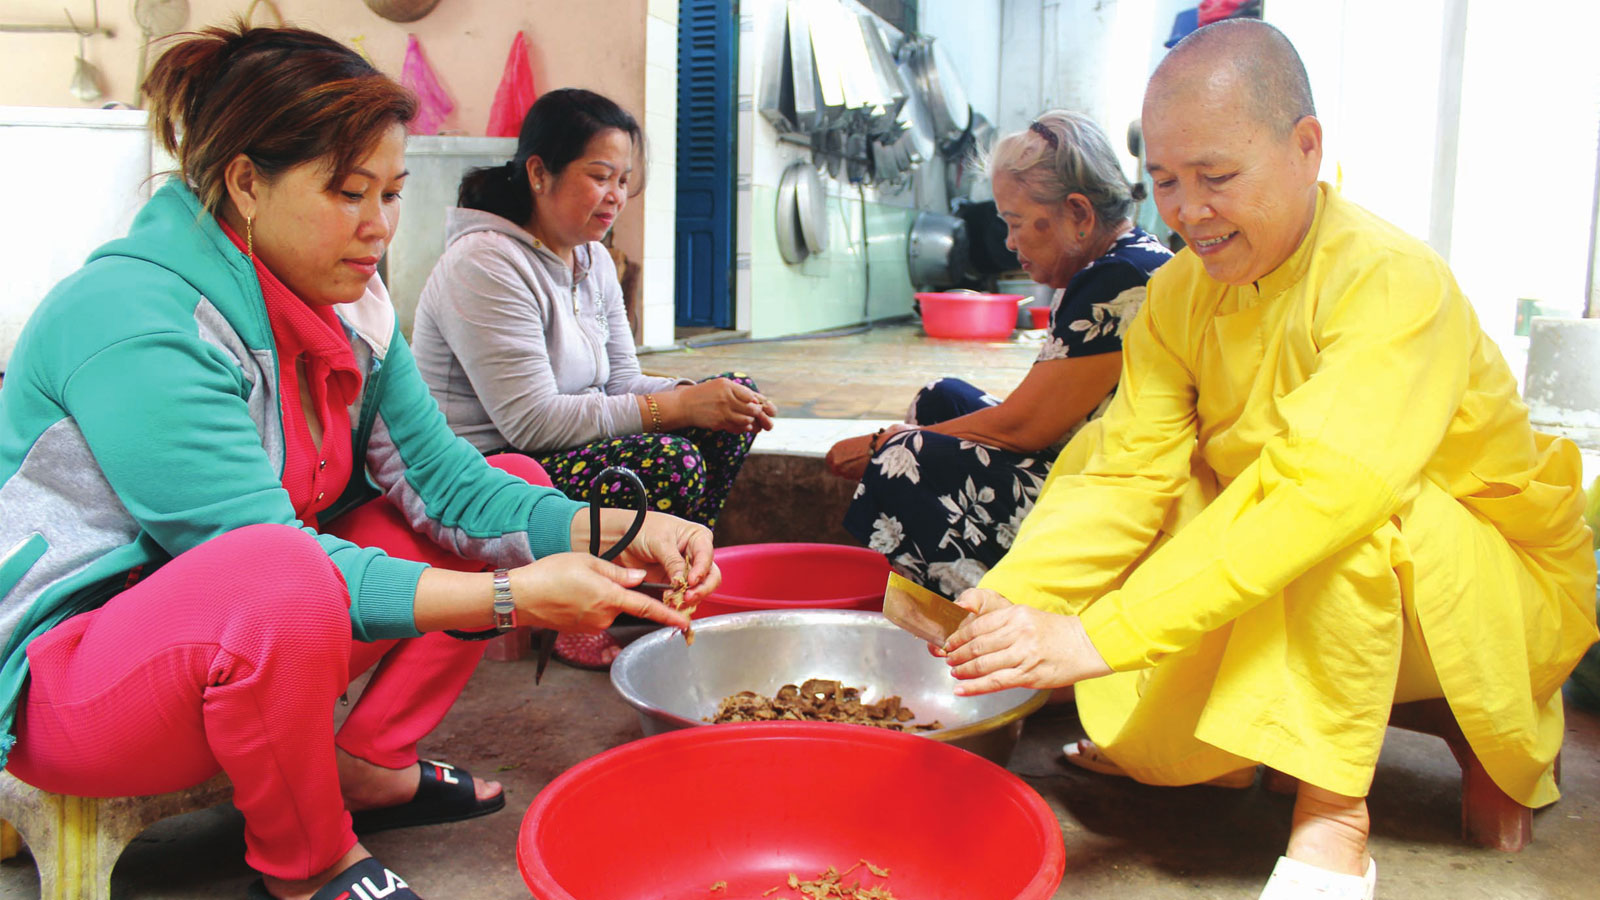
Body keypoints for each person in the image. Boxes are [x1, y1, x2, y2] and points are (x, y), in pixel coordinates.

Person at [0, 25, 715, 900]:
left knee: (511, 495)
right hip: (73, 684)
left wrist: (624, 529)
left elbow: (446, 481)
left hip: (250, 628)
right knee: (282, 572)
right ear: (246, 183)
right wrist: (513, 597)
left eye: (393, 194)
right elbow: (258, 558)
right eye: (348, 194)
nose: (379, 228)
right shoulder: (136, 319)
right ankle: (309, 859)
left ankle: (362, 764)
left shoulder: (352, 305)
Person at [938, 20, 1596, 900]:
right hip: (1293, 545)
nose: (1189, 211)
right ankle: (1207, 750)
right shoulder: (1175, 293)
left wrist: (1095, 638)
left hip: (1466, 582)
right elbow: (1130, 471)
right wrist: (1024, 602)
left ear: (1306, 148)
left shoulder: (1390, 281)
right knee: (1133, 468)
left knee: (1339, 525)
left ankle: (1333, 810)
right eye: (1167, 181)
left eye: (1218, 178)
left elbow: (1323, 490)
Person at [412, 88, 773, 669]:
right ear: (539, 172)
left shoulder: (593, 258)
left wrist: (700, 396)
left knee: (731, 400)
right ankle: (580, 610)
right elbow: (530, 423)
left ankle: (662, 586)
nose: (616, 197)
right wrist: (678, 409)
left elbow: (621, 380)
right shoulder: (483, 262)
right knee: (669, 457)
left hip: (560, 444)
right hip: (494, 467)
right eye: (601, 176)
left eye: (625, 180)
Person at [825, 111, 1171, 596]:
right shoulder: (1126, 259)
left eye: (1017, 223)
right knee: (941, 398)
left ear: (1078, 214)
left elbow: (1024, 427)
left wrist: (884, 442)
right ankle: (916, 584)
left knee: (907, 457)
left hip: (1109, 500)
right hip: (1082, 465)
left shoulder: (1119, 278)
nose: (1010, 244)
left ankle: (969, 620)